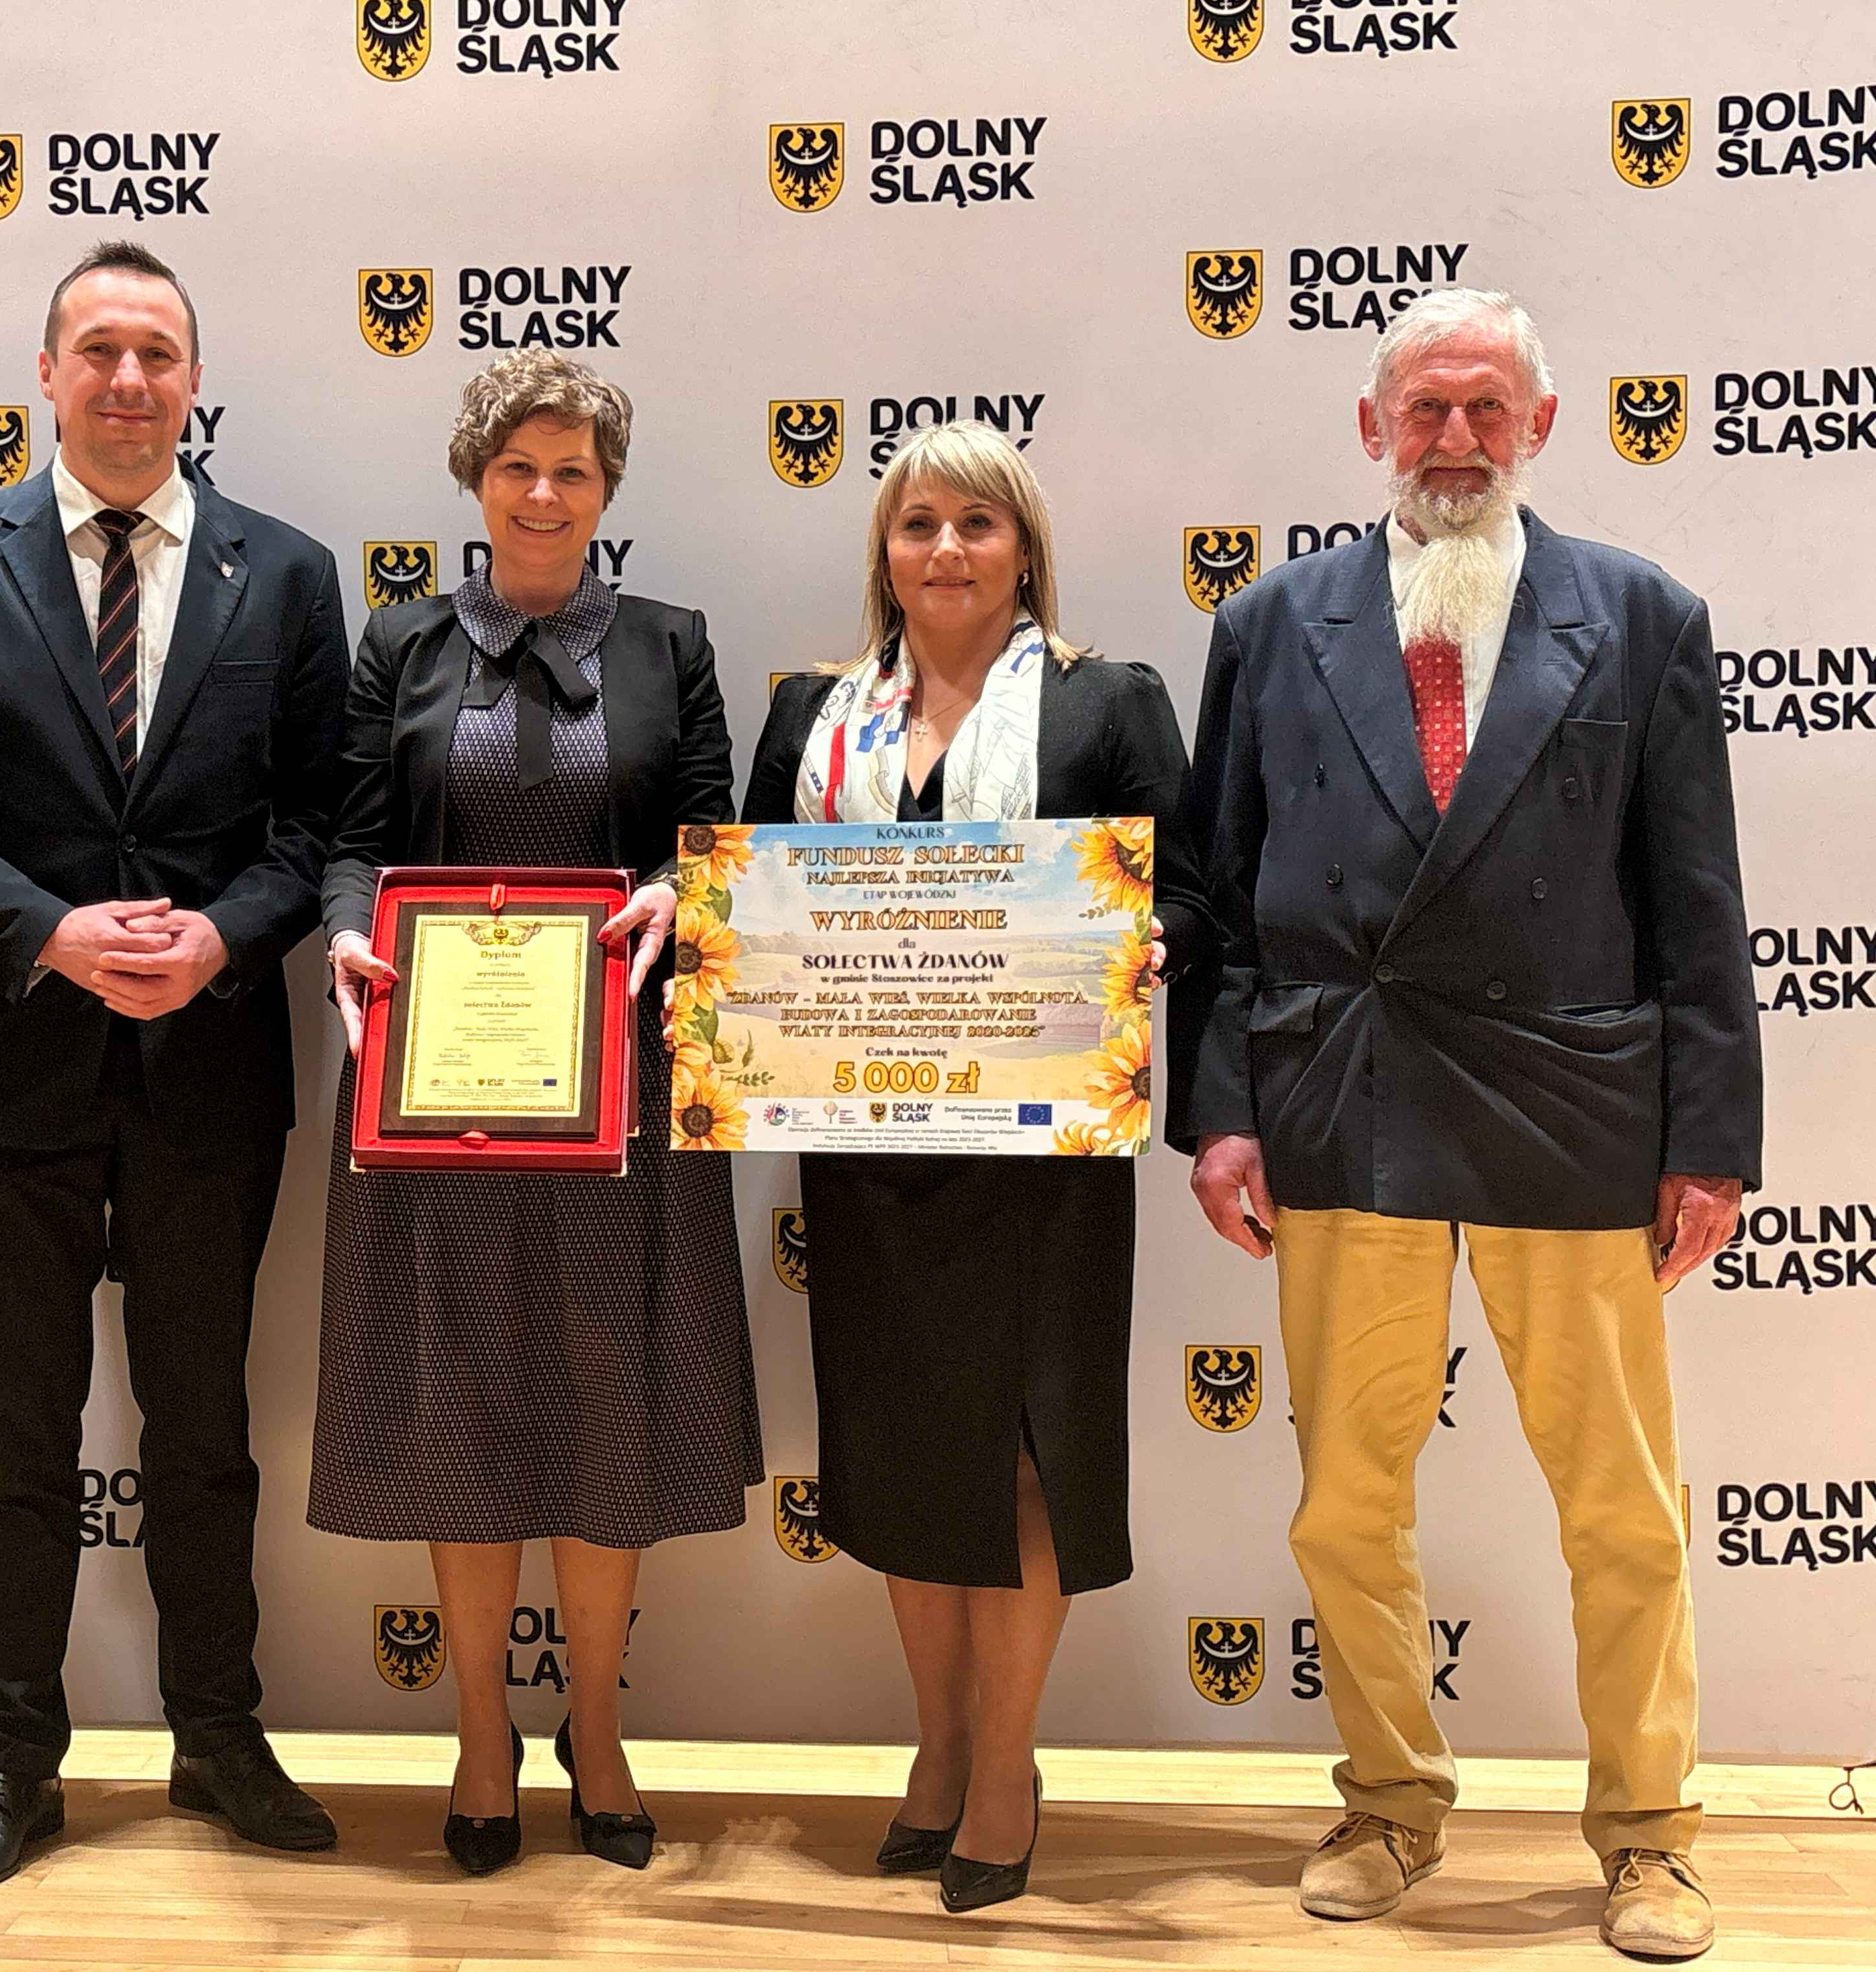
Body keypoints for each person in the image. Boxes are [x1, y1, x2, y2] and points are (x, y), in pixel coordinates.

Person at [1179, 288, 1760, 1962]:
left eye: (1485, 409)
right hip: (1341, 1094)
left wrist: (1709, 1140)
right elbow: (1223, 893)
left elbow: (1699, 900)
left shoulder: (1642, 616)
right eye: (1424, 409)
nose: (1454, 439)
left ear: (1540, 427)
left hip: (1575, 1101)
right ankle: (1386, 1801)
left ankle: (1649, 1834)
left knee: (1621, 1508)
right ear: (1373, 427)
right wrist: (1222, 1113)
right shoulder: (1272, 622)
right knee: (1344, 1504)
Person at [0, 240, 350, 1893]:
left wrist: (223, 938)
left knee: (204, 1431)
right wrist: (50, 933)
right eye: (100, 350)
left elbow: (320, 826)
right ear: (47, 376)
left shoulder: (288, 575)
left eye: (159, 353)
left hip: (211, 1071)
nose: (130, 380)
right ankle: (12, 1769)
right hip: (12, 1073)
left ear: (195, 382)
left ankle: (219, 1737)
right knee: (21, 1442)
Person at [741, 421, 1215, 1913]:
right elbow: (754, 910)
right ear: (883, 554)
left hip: (1041, 1158)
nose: (946, 549)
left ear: (1026, 548)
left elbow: (1195, 893)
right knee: (900, 1453)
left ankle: (1007, 1762)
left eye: (978, 523)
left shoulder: (1107, 703)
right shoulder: (812, 714)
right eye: (918, 523)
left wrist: (1132, 940)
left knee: (1025, 1450)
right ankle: (938, 1743)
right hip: (869, 1150)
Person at [316, 351, 762, 1876]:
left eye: (574, 470)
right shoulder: (400, 641)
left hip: (618, 1085)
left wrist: (674, 893)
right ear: (476, 480)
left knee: (604, 1394)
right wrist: (348, 931)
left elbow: (710, 835)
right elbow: (352, 840)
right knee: (462, 1394)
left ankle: (599, 1727)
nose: (545, 493)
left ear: (607, 489)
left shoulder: (669, 643)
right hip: (432, 1085)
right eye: (519, 467)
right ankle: (480, 1736)